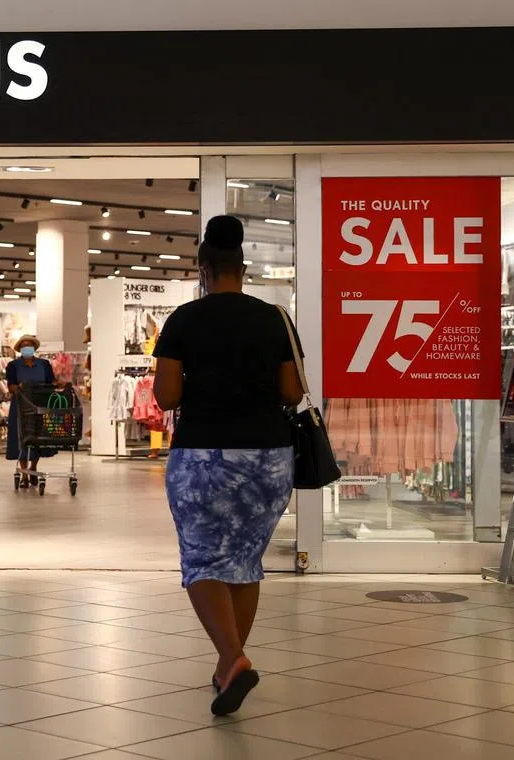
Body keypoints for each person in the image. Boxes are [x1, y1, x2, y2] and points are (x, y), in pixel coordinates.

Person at [152, 215, 304, 717]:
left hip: (205, 455)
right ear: (244, 267)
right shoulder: (274, 318)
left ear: (204, 268)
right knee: (242, 560)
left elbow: (168, 395)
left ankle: (234, 658)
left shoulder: (182, 321)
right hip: (269, 458)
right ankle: (224, 670)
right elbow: (291, 391)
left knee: (201, 560)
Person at [5, 335, 56, 487]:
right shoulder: (13, 366)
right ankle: (24, 473)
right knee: (21, 437)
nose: (27, 347)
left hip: (39, 404)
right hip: (20, 405)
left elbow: (51, 383)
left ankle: (33, 467)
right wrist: (19, 387)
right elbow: (11, 387)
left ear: (34, 348)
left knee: (38, 436)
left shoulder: (44, 364)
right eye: (24, 345)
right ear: (20, 349)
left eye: (30, 345)